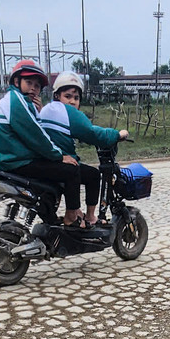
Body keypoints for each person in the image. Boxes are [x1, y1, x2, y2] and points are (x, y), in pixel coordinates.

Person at [0, 60, 85, 227]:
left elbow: (33, 130)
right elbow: (36, 136)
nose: (33, 88)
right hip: (15, 160)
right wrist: (59, 156)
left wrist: (37, 111)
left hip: (10, 158)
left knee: (51, 178)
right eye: (28, 82)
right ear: (17, 82)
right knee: (72, 170)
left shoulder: (16, 101)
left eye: (37, 85)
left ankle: (51, 221)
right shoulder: (17, 102)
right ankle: (72, 217)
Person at [39, 73, 129, 226]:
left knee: (81, 170)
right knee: (93, 175)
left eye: (76, 98)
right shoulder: (68, 113)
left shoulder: (47, 109)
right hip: (59, 162)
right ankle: (86, 216)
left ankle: (78, 214)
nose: (72, 101)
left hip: (45, 160)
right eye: (67, 96)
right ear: (57, 96)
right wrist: (118, 134)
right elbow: (94, 134)